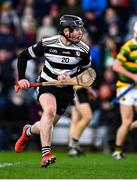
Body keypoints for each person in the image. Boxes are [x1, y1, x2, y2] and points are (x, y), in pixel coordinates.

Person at [14, 14, 92, 168]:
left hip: (67, 90)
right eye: (75, 29)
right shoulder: (48, 43)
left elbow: (86, 72)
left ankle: (28, 131)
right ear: (65, 31)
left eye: (79, 29)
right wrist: (22, 78)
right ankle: (46, 154)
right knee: (49, 111)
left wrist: (70, 76)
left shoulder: (83, 50)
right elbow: (23, 56)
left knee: (47, 124)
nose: (79, 32)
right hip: (46, 84)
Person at [112, 21, 137, 159]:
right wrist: (133, 76)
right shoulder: (128, 47)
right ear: (135, 32)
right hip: (125, 87)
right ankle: (118, 150)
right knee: (127, 120)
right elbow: (116, 66)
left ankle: (126, 130)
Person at [68, 86, 97, 156]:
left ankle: (73, 148)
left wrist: (89, 89)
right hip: (78, 92)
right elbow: (77, 82)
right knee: (87, 117)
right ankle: (74, 142)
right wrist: (88, 88)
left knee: (75, 119)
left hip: (79, 92)